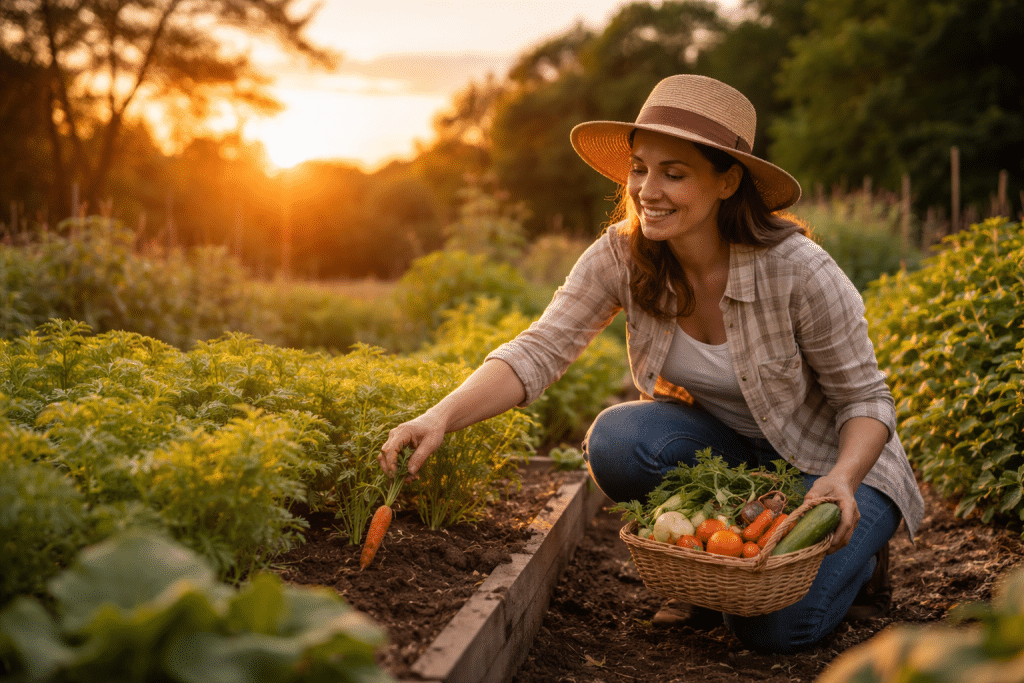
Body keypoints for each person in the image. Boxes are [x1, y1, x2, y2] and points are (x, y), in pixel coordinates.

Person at [379, 74, 925, 654]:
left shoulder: (798, 271)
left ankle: (861, 564)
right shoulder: (622, 253)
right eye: (640, 168)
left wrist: (841, 478)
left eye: (675, 173)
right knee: (619, 440)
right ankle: (707, 567)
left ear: (727, 181)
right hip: (735, 459)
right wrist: (439, 416)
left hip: (836, 468)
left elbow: (866, 400)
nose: (647, 190)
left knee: (769, 629)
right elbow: (541, 348)